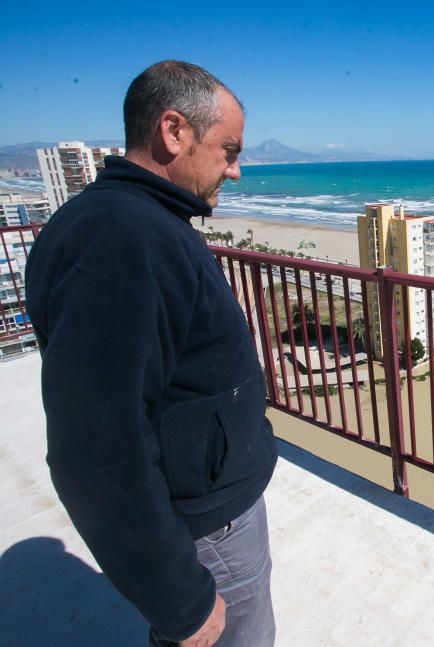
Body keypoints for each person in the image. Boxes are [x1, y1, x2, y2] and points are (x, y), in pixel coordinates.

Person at [25, 61, 278, 646]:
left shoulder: (119, 220)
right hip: (208, 529)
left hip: (201, 503)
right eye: (228, 149)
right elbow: (96, 446)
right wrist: (180, 599)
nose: (235, 171)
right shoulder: (125, 240)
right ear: (173, 131)